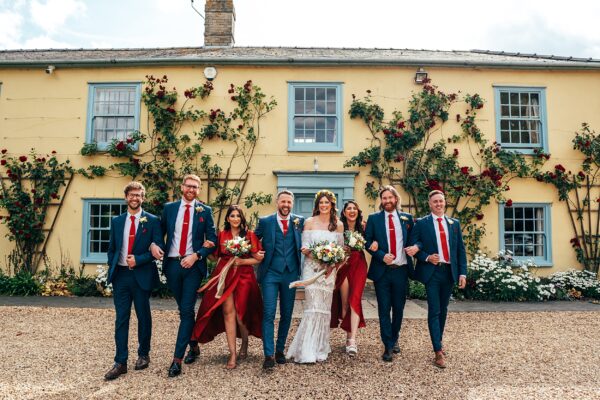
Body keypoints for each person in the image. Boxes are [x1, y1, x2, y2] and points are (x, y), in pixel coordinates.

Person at [150, 174, 217, 378]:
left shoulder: (205, 211)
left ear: (199, 190)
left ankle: (177, 360)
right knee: (184, 311)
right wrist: (154, 245)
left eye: (196, 187)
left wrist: (196, 255)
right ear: (182, 187)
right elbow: (159, 234)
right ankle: (194, 345)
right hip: (171, 265)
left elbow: (212, 238)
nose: (192, 190)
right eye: (189, 186)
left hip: (192, 266)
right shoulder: (170, 208)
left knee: (187, 309)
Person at [190, 205, 264, 369]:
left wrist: (242, 261)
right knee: (227, 312)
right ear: (228, 219)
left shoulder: (249, 235)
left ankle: (244, 341)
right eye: (232, 216)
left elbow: (257, 259)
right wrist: (207, 247)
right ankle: (233, 353)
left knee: (240, 314)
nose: (236, 218)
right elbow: (213, 258)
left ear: (242, 218)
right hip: (224, 275)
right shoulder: (221, 235)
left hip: (244, 276)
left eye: (238, 215)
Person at [104, 181, 163, 380]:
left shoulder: (153, 220)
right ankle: (120, 361)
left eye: (138, 195)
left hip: (141, 276)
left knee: (143, 317)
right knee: (121, 319)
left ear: (143, 198)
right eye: (131, 195)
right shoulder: (117, 221)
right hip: (120, 277)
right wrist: (112, 265)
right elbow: (112, 248)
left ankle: (143, 354)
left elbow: (159, 250)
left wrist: (139, 259)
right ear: (126, 197)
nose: (135, 198)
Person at [408, 189, 467, 368]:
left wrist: (462, 273)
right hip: (432, 272)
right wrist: (427, 257)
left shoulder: (454, 223)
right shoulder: (422, 223)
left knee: (444, 309)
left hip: (449, 272)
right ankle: (438, 351)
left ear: (445, 202)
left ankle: (438, 342)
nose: (439, 204)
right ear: (430, 204)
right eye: (435, 202)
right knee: (434, 310)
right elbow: (414, 247)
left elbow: (460, 251)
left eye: (441, 201)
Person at [286, 189, 344, 363]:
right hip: (312, 269)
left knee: (325, 309)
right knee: (312, 307)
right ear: (317, 205)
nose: (324, 205)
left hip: (328, 272)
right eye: (321, 203)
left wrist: (331, 263)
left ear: (332, 204)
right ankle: (306, 349)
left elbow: (341, 251)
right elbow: (304, 248)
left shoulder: (338, 224)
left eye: (327, 202)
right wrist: (321, 258)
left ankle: (321, 347)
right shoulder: (309, 222)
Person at [365, 185, 419, 362]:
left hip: (401, 271)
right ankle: (387, 345)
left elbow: (416, 239)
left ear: (396, 199)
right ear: (381, 201)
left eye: (390, 198)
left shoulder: (407, 218)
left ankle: (395, 338)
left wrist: (416, 247)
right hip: (382, 272)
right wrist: (381, 255)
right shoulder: (374, 218)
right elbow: (367, 242)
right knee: (383, 309)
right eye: (384, 198)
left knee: (399, 308)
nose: (387, 201)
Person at [255, 189, 304, 370]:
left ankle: (279, 350)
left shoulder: (299, 221)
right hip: (270, 273)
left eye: (289, 202)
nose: (286, 205)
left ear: (292, 203)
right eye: (283, 202)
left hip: (290, 273)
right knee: (268, 313)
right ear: (277, 202)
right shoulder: (265, 221)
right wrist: (255, 253)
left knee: (287, 313)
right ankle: (268, 354)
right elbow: (253, 237)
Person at [330, 200, 369, 357]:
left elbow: (373, 241)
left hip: (359, 264)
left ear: (358, 211)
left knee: (355, 299)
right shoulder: (339, 227)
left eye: (355, 208)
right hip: (343, 265)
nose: (352, 211)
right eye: (349, 209)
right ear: (344, 212)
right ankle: (347, 336)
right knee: (345, 302)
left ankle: (352, 340)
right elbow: (331, 245)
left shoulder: (364, 227)